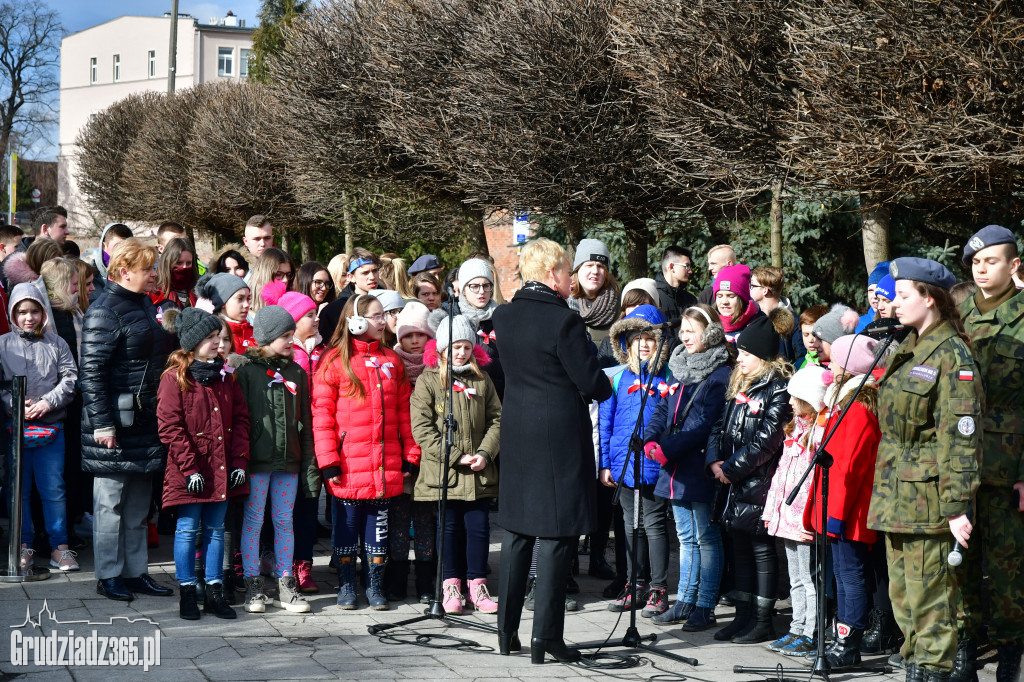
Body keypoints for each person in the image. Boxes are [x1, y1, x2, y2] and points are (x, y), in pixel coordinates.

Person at [493, 238, 612, 664]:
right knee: (559, 534)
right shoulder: (563, 321)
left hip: (519, 429)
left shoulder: (503, 316)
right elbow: (591, 382)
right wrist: (604, 378)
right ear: (551, 273)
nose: (571, 278)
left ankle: (506, 633)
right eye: (566, 270)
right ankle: (546, 638)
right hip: (558, 433)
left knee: (519, 533)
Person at [868, 257, 982, 682]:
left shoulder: (952, 355)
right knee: (905, 601)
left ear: (930, 299)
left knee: (932, 602)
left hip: (930, 499)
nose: (893, 304)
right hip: (897, 493)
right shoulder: (910, 345)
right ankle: (917, 667)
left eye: (902, 296)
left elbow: (962, 437)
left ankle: (932, 671)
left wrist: (956, 505)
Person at [80, 238, 176, 602]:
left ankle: (136, 572)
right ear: (124, 271)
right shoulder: (104, 309)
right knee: (110, 505)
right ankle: (108, 575)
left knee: (138, 504)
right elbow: (91, 372)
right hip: (115, 424)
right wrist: (103, 425)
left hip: (144, 419)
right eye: (148, 268)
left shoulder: (143, 305)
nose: (154, 274)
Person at [312, 294, 421, 611]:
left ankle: (374, 586)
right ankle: (346, 586)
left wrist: (410, 454)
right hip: (347, 466)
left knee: (378, 530)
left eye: (383, 315)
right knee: (346, 530)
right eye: (376, 316)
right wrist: (329, 461)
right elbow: (322, 418)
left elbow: (404, 414)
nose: (383, 321)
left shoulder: (391, 360)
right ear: (356, 321)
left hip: (384, 466)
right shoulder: (334, 361)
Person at [958, 225, 1024, 682]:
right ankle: (964, 650)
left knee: (1007, 570)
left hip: (1009, 466)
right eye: (976, 263)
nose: (982, 270)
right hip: (961, 463)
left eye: (992, 261)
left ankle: (1009, 657)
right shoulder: (957, 313)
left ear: (1014, 265)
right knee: (960, 562)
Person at [157, 307, 250, 621]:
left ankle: (214, 591)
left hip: (222, 468)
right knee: (186, 530)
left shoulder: (226, 376)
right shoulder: (174, 378)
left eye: (220, 338)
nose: (218, 344)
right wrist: (189, 468)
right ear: (193, 342)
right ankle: (187, 591)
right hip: (190, 470)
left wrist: (238, 461)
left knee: (216, 530)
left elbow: (240, 421)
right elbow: (170, 427)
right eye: (211, 338)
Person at [643, 304, 732, 632]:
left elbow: (707, 425)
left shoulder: (719, 373)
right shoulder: (677, 366)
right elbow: (663, 406)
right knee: (685, 536)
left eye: (692, 332)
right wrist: (651, 438)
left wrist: (666, 448)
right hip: (674, 467)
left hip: (697, 465)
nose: (685, 337)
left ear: (709, 333)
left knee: (705, 537)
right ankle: (685, 599)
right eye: (683, 331)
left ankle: (704, 604)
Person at [706, 314, 793, 644]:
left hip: (757, 482)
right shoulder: (739, 384)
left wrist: (731, 469)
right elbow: (719, 425)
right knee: (738, 548)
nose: (738, 358)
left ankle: (761, 620)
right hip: (732, 483)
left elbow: (768, 440)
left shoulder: (778, 389)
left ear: (762, 356)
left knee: (760, 550)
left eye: (745, 353)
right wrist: (715, 460)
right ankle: (742, 616)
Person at [411, 314, 502, 615]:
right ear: (442, 350)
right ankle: (451, 585)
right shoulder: (428, 381)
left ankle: (477, 584)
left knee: (478, 529)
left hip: (477, 473)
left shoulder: (482, 379)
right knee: (448, 529)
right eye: (454, 348)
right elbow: (422, 429)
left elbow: (497, 420)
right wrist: (453, 456)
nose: (461, 353)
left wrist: (485, 453)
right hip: (445, 474)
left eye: (465, 347)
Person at [803, 334, 882, 669]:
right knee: (842, 572)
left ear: (849, 367)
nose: (828, 363)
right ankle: (841, 637)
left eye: (833, 359)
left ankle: (849, 643)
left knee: (850, 574)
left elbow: (849, 466)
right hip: (838, 504)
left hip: (849, 508)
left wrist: (835, 514)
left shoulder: (859, 408)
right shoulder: (843, 402)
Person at [234, 305, 316, 615]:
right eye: (285, 336)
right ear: (266, 338)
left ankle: (285, 583)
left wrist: (308, 464)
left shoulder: (296, 371)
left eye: (293, 335)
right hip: (256, 463)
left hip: (289, 461)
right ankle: (254, 585)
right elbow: (240, 419)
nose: (291, 341)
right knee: (253, 522)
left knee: (284, 521)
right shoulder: (245, 371)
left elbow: (305, 420)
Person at [599, 305, 672, 617]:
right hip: (624, 462)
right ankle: (634, 583)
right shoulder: (618, 379)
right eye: (636, 338)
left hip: (654, 462)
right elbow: (606, 423)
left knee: (654, 525)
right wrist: (605, 463)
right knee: (630, 526)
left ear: (659, 344)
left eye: (649, 339)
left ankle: (658, 588)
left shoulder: (667, 378)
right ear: (626, 343)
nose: (643, 344)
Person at [0, 283, 79, 573]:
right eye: (22, 312)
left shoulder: (57, 343)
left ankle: (60, 547)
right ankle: (23, 546)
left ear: (43, 313)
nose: (28, 317)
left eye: (34, 311)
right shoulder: (3, 344)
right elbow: (1, 386)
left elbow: (70, 378)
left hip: (50, 429)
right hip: (15, 430)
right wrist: (15, 405)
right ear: (13, 314)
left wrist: (47, 402)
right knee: (18, 491)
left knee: (53, 489)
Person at [260, 280, 324, 594]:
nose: (315, 319)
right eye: (308, 315)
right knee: (289, 507)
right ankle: (281, 563)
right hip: (291, 438)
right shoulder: (286, 356)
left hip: (316, 434)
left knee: (310, 504)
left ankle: (304, 565)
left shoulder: (323, 349)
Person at [763, 365, 828, 656]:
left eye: (795, 397)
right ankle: (796, 627)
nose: (789, 403)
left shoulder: (818, 435)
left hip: (804, 519)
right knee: (795, 578)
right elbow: (781, 476)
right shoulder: (796, 430)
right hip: (788, 516)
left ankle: (812, 632)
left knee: (809, 577)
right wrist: (773, 509)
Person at [386, 301, 437, 602]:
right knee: (399, 519)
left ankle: (426, 580)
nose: (415, 341)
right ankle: (397, 575)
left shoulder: (437, 367)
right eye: (408, 335)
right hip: (400, 453)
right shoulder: (392, 364)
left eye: (421, 334)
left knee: (426, 518)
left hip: (429, 455)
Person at [447, 258, 504, 399]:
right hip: (461, 400)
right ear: (464, 289)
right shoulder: (452, 320)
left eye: (486, 285)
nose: (481, 292)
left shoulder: (502, 318)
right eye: (474, 286)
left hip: (497, 398)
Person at [318, 248, 380, 342]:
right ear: (351, 277)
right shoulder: (334, 310)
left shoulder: (389, 303)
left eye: (375, 271)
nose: (372, 277)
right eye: (365, 273)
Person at [567, 238, 619, 345]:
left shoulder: (620, 305)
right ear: (578, 269)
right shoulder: (563, 303)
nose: (595, 271)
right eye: (589, 265)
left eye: (600, 266)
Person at [751, 266, 804, 365]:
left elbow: (802, 357)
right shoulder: (752, 318)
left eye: (753, 285)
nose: (750, 289)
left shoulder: (794, 322)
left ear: (765, 290)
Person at [195, 273, 254, 355]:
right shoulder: (212, 334)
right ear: (222, 302)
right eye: (240, 299)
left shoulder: (254, 332)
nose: (247, 304)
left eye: (248, 298)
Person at [713, 264, 762, 343]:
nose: (724, 302)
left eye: (731, 296)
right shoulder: (708, 324)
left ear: (743, 299)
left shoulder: (758, 326)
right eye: (720, 296)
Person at [150, 237, 198, 314]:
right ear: (168, 262)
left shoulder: (199, 292)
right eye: (179, 263)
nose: (184, 267)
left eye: (188, 263)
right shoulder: (155, 291)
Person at [82, 223, 132, 296]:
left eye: (127, 247)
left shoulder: (136, 276)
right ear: (103, 246)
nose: (122, 252)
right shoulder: (88, 277)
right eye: (117, 246)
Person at [248, 248, 295, 317]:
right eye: (278, 274)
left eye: (288, 275)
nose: (285, 280)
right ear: (265, 274)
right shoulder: (246, 303)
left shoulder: (293, 300)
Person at [654, 246, 698, 319]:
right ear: (671, 267)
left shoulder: (690, 300)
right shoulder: (653, 297)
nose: (690, 271)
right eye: (686, 266)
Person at [856, 261, 891, 333]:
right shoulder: (857, 324)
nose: (874, 296)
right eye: (871, 290)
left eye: (878, 292)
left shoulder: (904, 323)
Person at [798, 304, 830, 368]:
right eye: (806, 335)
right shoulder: (798, 365)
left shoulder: (836, 366)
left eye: (814, 335)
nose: (810, 340)